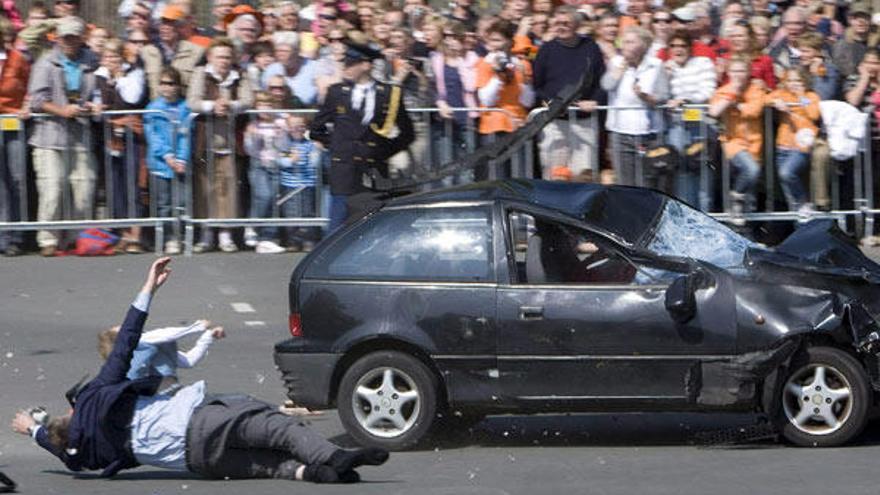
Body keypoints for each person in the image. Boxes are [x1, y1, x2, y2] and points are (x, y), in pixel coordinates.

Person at [10, 257, 390, 483]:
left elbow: (63, 453)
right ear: (73, 413)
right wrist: (148, 288)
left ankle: (315, 474)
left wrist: (36, 431)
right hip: (197, 422)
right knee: (275, 426)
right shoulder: (94, 399)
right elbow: (126, 341)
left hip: (195, 460)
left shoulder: (85, 454)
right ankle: (333, 458)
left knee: (266, 465)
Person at [310, 31, 415, 231]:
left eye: (351, 63)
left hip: (373, 169)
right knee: (338, 226)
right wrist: (339, 146)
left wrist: (382, 151)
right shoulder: (337, 93)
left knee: (371, 226)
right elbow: (316, 129)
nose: (345, 68)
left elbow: (407, 133)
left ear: (366, 65)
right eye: (345, 63)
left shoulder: (388, 94)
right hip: (344, 169)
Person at [27, 16, 100, 257]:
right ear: (58, 37)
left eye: (74, 37)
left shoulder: (91, 61)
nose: (69, 42)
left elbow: (99, 90)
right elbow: (36, 99)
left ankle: (74, 236)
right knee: (52, 187)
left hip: (80, 135)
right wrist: (62, 111)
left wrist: (93, 105)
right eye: (65, 37)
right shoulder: (45, 63)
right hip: (50, 136)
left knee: (84, 185)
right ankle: (48, 237)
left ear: (81, 38)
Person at [187, 37, 254, 253]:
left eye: (227, 56)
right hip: (205, 141)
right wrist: (212, 106)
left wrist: (231, 105)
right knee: (206, 190)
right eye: (220, 56)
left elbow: (248, 100)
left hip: (230, 142)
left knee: (227, 190)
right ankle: (206, 236)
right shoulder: (201, 74)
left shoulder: (240, 75)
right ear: (210, 57)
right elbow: (192, 101)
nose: (224, 61)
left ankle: (225, 236)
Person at [533, 5, 606, 181]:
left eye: (566, 23)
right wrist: (549, 103)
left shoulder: (591, 47)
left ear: (576, 25)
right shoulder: (546, 50)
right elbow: (537, 85)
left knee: (584, 174)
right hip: (554, 122)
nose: (561, 26)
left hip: (584, 121)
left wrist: (595, 101)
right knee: (555, 174)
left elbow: (602, 81)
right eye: (557, 23)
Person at [601, 26, 669, 189]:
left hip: (649, 132)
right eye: (623, 42)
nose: (625, 46)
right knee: (625, 183)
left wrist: (645, 96)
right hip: (621, 130)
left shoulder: (656, 65)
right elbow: (606, 85)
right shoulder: (616, 62)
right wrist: (620, 70)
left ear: (643, 45)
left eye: (630, 42)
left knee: (648, 181)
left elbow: (663, 95)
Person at [709, 57, 767, 226]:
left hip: (754, 143)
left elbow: (755, 110)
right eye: (734, 71)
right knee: (752, 170)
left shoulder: (755, 90)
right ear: (729, 73)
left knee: (752, 194)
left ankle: (747, 233)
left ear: (748, 73)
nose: (738, 75)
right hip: (733, 142)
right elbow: (714, 111)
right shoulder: (724, 91)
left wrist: (738, 106)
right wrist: (731, 95)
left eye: (741, 71)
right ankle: (736, 195)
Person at [145, 66, 191, 255]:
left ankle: (178, 237)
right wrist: (167, 155)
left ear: (178, 86)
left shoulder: (185, 108)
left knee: (180, 202)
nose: (167, 87)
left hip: (179, 164)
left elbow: (186, 136)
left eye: (171, 83)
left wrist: (180, 157)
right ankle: (166, 238)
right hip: (160, 164)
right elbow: (152, 135)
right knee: (163, 204)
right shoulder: (153, 108)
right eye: (163, 83)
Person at [767, 67, 820, 216]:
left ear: (804, 81)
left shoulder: (810, 95)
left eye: (797, 80)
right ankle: (800, 225)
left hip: (801, 145)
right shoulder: (783, 94)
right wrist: (776, 101)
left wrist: (801, 95)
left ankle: (804, 202)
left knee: (786, 173)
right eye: (790, 80)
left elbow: (814, 114)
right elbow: (766, 99)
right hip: (783, 146)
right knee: (789, 193)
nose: (793, 84)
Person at [244, 91, 288, 254]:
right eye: (261, 105)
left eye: (268, 105)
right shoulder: (253, 125)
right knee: (263, 196)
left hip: (276, 165)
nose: (265, 108)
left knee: (275, 200)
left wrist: (280, 135)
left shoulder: (279, 122)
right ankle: (253, 225)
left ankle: (268, 237)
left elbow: (284, 147)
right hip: (259, 165)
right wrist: (252, 137)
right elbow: (250, 150)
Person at [0, 17, 30, 257]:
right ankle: (4, 235)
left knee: (17, 178)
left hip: (13, 124)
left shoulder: (17, 60)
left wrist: (26, 106)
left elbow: (29, 87)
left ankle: (18, 235)